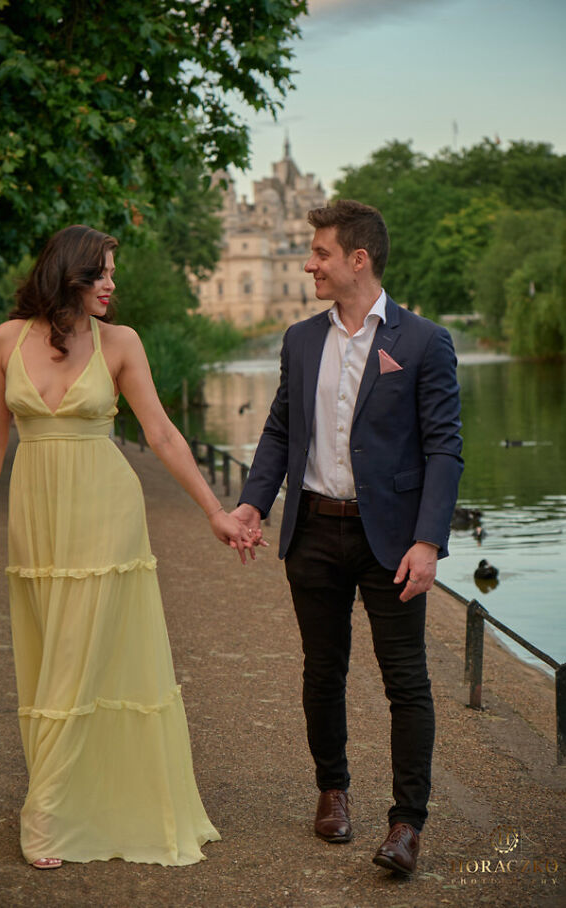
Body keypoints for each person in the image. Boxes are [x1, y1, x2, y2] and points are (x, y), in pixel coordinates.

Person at [0, 225, 257, 870]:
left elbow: (162, 434)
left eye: (112, 273)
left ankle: (46, 814)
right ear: (68, 274)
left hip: (105, 513)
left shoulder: (120, 343)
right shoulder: (6, 340)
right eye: (100, 272)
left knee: (79, 654)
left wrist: (215, 511)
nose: (111, 284)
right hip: (39, 516)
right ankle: (67, 793)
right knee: (49, 658)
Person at [232, 201, 463, 875]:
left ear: (357, 259)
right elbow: (279, 431)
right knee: (321, 670)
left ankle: (406, 825)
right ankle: (331, 791)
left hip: (391, 540)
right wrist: (252, 504)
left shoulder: (423, 342)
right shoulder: (300, 340)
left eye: (320, 253)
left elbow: (443, 450)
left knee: (406, 680)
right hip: (312, 531)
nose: (309, 263)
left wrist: (429, 540)